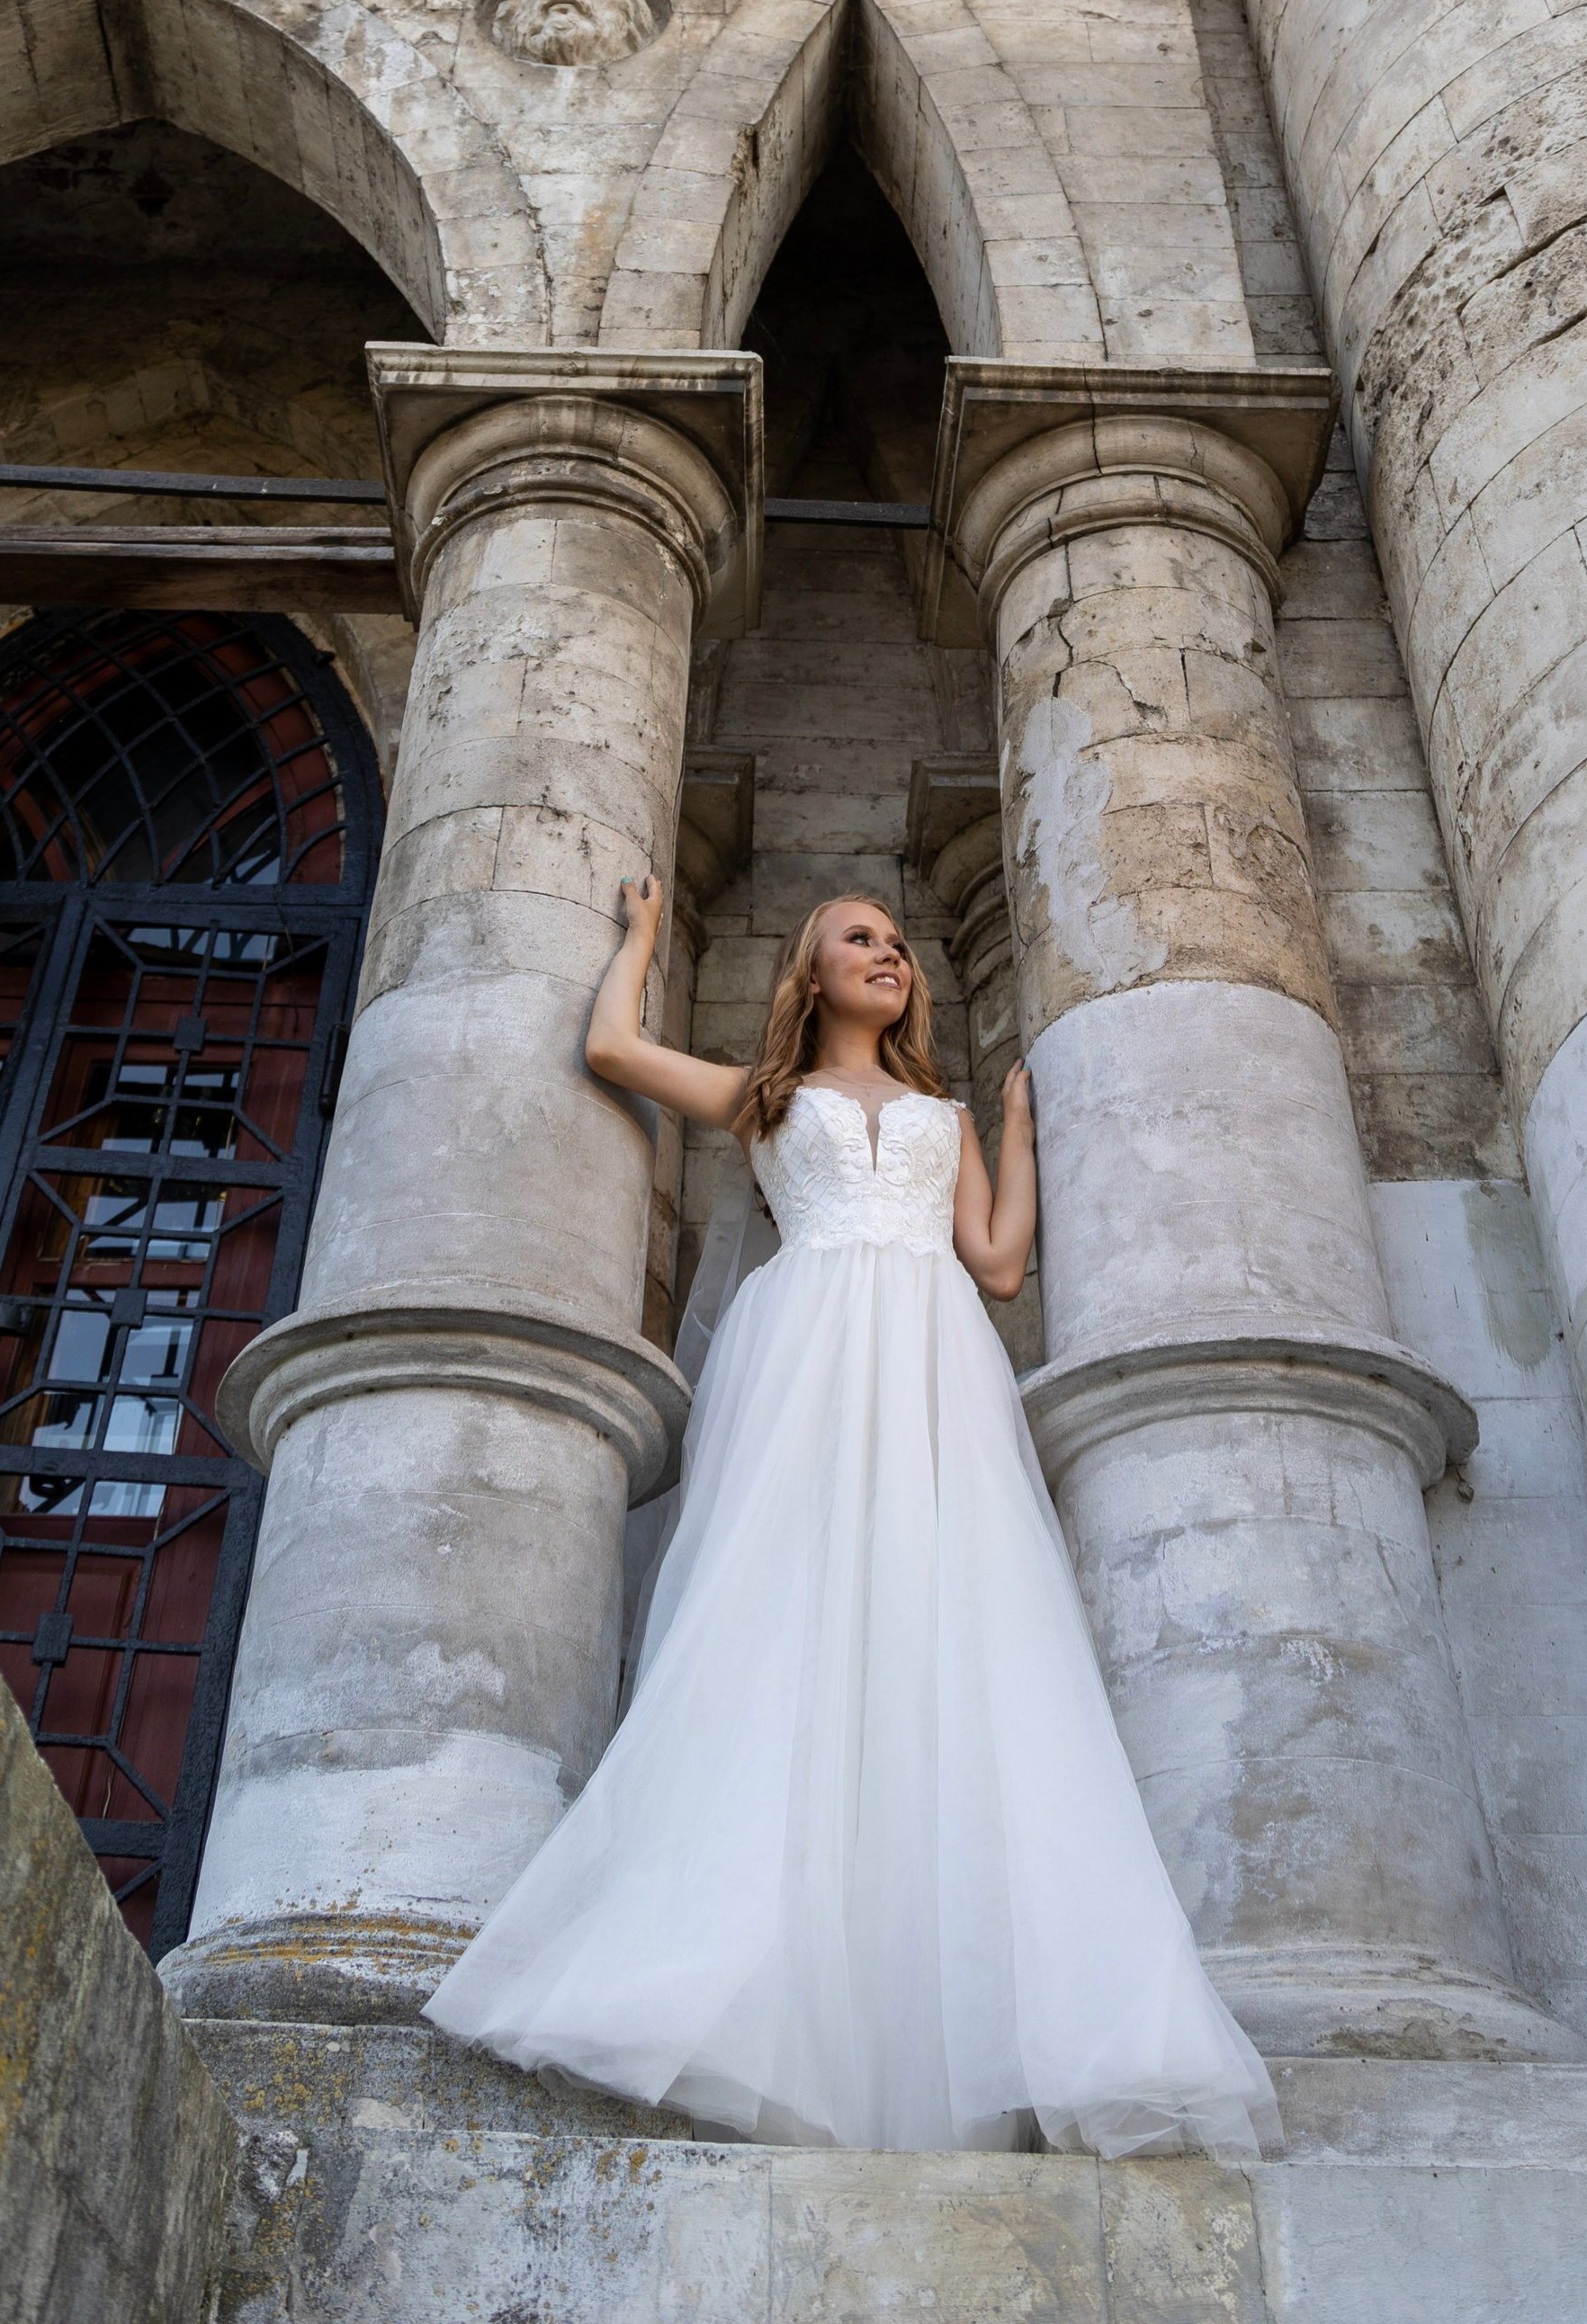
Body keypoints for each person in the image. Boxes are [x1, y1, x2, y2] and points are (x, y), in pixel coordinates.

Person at [422, 879, 1280, 2163]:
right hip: (811, 1350)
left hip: (935, 1357)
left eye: (897, 943)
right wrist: (647, 937)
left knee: (960, 1631)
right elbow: (609, 1050)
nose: (890, 955)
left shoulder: (938, 1111)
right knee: (781, 1621)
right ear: (810, 973)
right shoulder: (764, 1100)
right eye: (859, 939)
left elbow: (993, 1264)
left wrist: (1015, 1126)